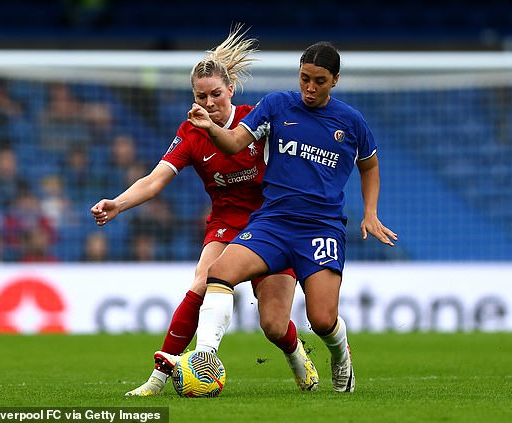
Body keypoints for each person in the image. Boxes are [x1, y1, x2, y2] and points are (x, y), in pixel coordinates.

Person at [90, 25, 318, 396]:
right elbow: (154, 180)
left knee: (274, 325)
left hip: (272, 225)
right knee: (202, 282)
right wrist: (118, 203)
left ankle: (297, 357)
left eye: (216, 94)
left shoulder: (257, 120)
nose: (210, 102)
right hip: (227, 226)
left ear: (230, 90)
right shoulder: (191, 132)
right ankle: (158, 379)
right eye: (201, 96)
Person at [187, 41, 398, 393]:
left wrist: (371, 212)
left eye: (319, 81)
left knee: (321, 319)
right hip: (273, 222)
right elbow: (235, 142)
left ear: (335, 80)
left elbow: (369, 164)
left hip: (321, 229)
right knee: (219, 273)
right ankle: (204, 360)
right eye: (304, 79)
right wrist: (210, 128)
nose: (310, 88)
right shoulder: (276, 105)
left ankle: (340, 354)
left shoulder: (350, 121)